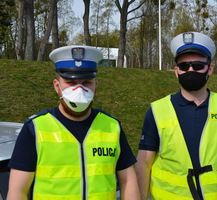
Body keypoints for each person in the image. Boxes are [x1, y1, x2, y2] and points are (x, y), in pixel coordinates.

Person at [135, 32, 217, 200]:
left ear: (210, 68)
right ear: (176, 71)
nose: (191, 70)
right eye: (184, 66)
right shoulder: (157, 110)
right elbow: (143, 163)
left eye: (198, 65)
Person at [7, 45, 140, 200]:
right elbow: (17, 191)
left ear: (95, 86)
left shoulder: (112, 127)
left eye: (87, 82)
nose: (79, 89)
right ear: (57, 86)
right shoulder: (35, 129)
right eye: (71, 83)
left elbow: (128, 181)